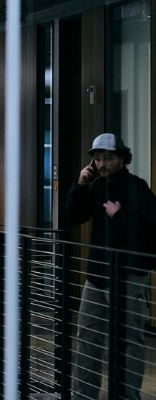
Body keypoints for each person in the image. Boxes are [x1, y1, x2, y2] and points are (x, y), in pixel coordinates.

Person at [66, 133, 156, 400]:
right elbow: (74, 216)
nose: (102, 163)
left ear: (121, 159)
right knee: (87, 338)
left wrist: (120, 215)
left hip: (128, 276)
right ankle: (84, 395)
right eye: (97, 158)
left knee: (128, 342)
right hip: (97, 276)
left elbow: (150, 229)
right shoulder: (95, 186)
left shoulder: (136, 187)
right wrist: (80, 185)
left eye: (108, 158)